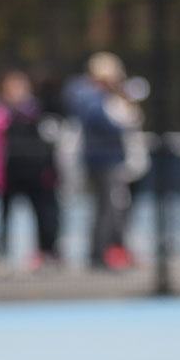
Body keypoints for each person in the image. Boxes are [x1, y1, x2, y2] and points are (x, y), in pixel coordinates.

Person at [66, 52, 139, 270]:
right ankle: (99, 253)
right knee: (105, 208)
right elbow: (96, 120)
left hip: (109, 158)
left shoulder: (102, 96)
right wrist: (121, 125)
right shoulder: (88, 95)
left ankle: (109, 249)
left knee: (110, 207)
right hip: (100, 159)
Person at [0, 69, 61, 270]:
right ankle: (0, 254)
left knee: (45, 214)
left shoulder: (40, 112)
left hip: (36, 173)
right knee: (0, 216)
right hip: (7, 174)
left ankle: (46, 252)